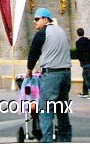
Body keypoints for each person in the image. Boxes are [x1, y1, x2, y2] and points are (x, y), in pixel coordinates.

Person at [25, 7, 72, 142]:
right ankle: (66, 140)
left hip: (52, 75)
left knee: (46, 110)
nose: (35, 22)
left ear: (45, 19)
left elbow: (33, 53)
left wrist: (29, 71)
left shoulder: (42, 33)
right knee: (62, 109)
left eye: (37, 19)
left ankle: (47, 141)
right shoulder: (61, 31)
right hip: (66, 74)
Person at [75, 28, 90, 99]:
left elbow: (79, 53)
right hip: (89, 61)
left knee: (87, 76)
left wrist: (81, 60)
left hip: (84, 62)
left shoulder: (78, 42)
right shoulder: (88, 40)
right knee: (85, 75)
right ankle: (85, 92)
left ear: (77, 33)